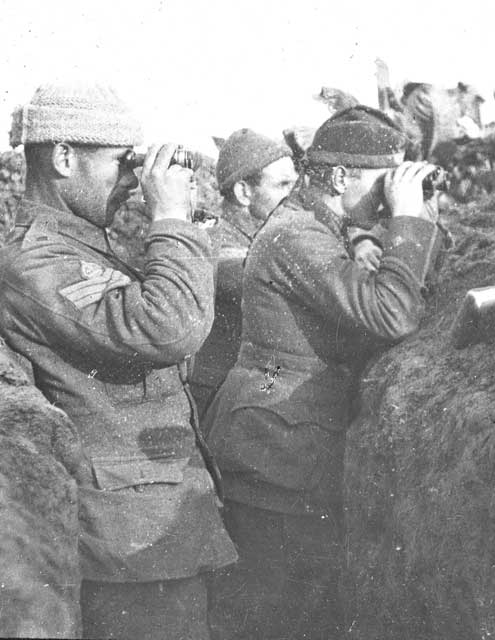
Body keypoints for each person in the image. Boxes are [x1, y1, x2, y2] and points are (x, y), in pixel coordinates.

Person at [0, 83, 237, 639]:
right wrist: (171, 218)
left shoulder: (83, 247)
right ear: (63, 157)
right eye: (120, 162)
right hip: (126, 547)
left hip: (154, 531)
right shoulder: (36, 261)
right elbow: (167, 327)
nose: (133, 178)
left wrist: (187, 216)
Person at [203, 105, 443, 639]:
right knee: (283, 617)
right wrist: (403, 219)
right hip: (278, 459)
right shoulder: (297, 236)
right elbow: (391, 312)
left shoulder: (323, 225)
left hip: (292, 448)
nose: (387, 194)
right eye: (383, 180)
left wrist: (416, 218)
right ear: (339, 177)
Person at [189, 129, 297, 416]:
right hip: (219, 399)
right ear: (243, 192)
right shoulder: (218, 242)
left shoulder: (261, 238)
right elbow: (255, 280)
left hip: (251, 392)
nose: (293, 196)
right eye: (283, 185)